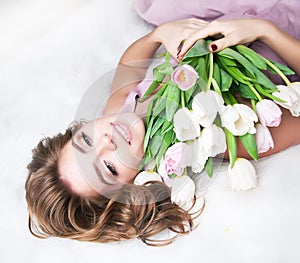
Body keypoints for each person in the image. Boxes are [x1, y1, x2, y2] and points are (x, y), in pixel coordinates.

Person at [25, 1, 300, 246]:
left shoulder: (119, 108)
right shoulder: (212, 138)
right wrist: (264, 30)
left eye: (85, 141)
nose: (106, 143)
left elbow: (128, 65)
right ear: (131, 189)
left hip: (211, 22)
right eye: (108, 167)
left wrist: (159, 34)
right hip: (282, 32)